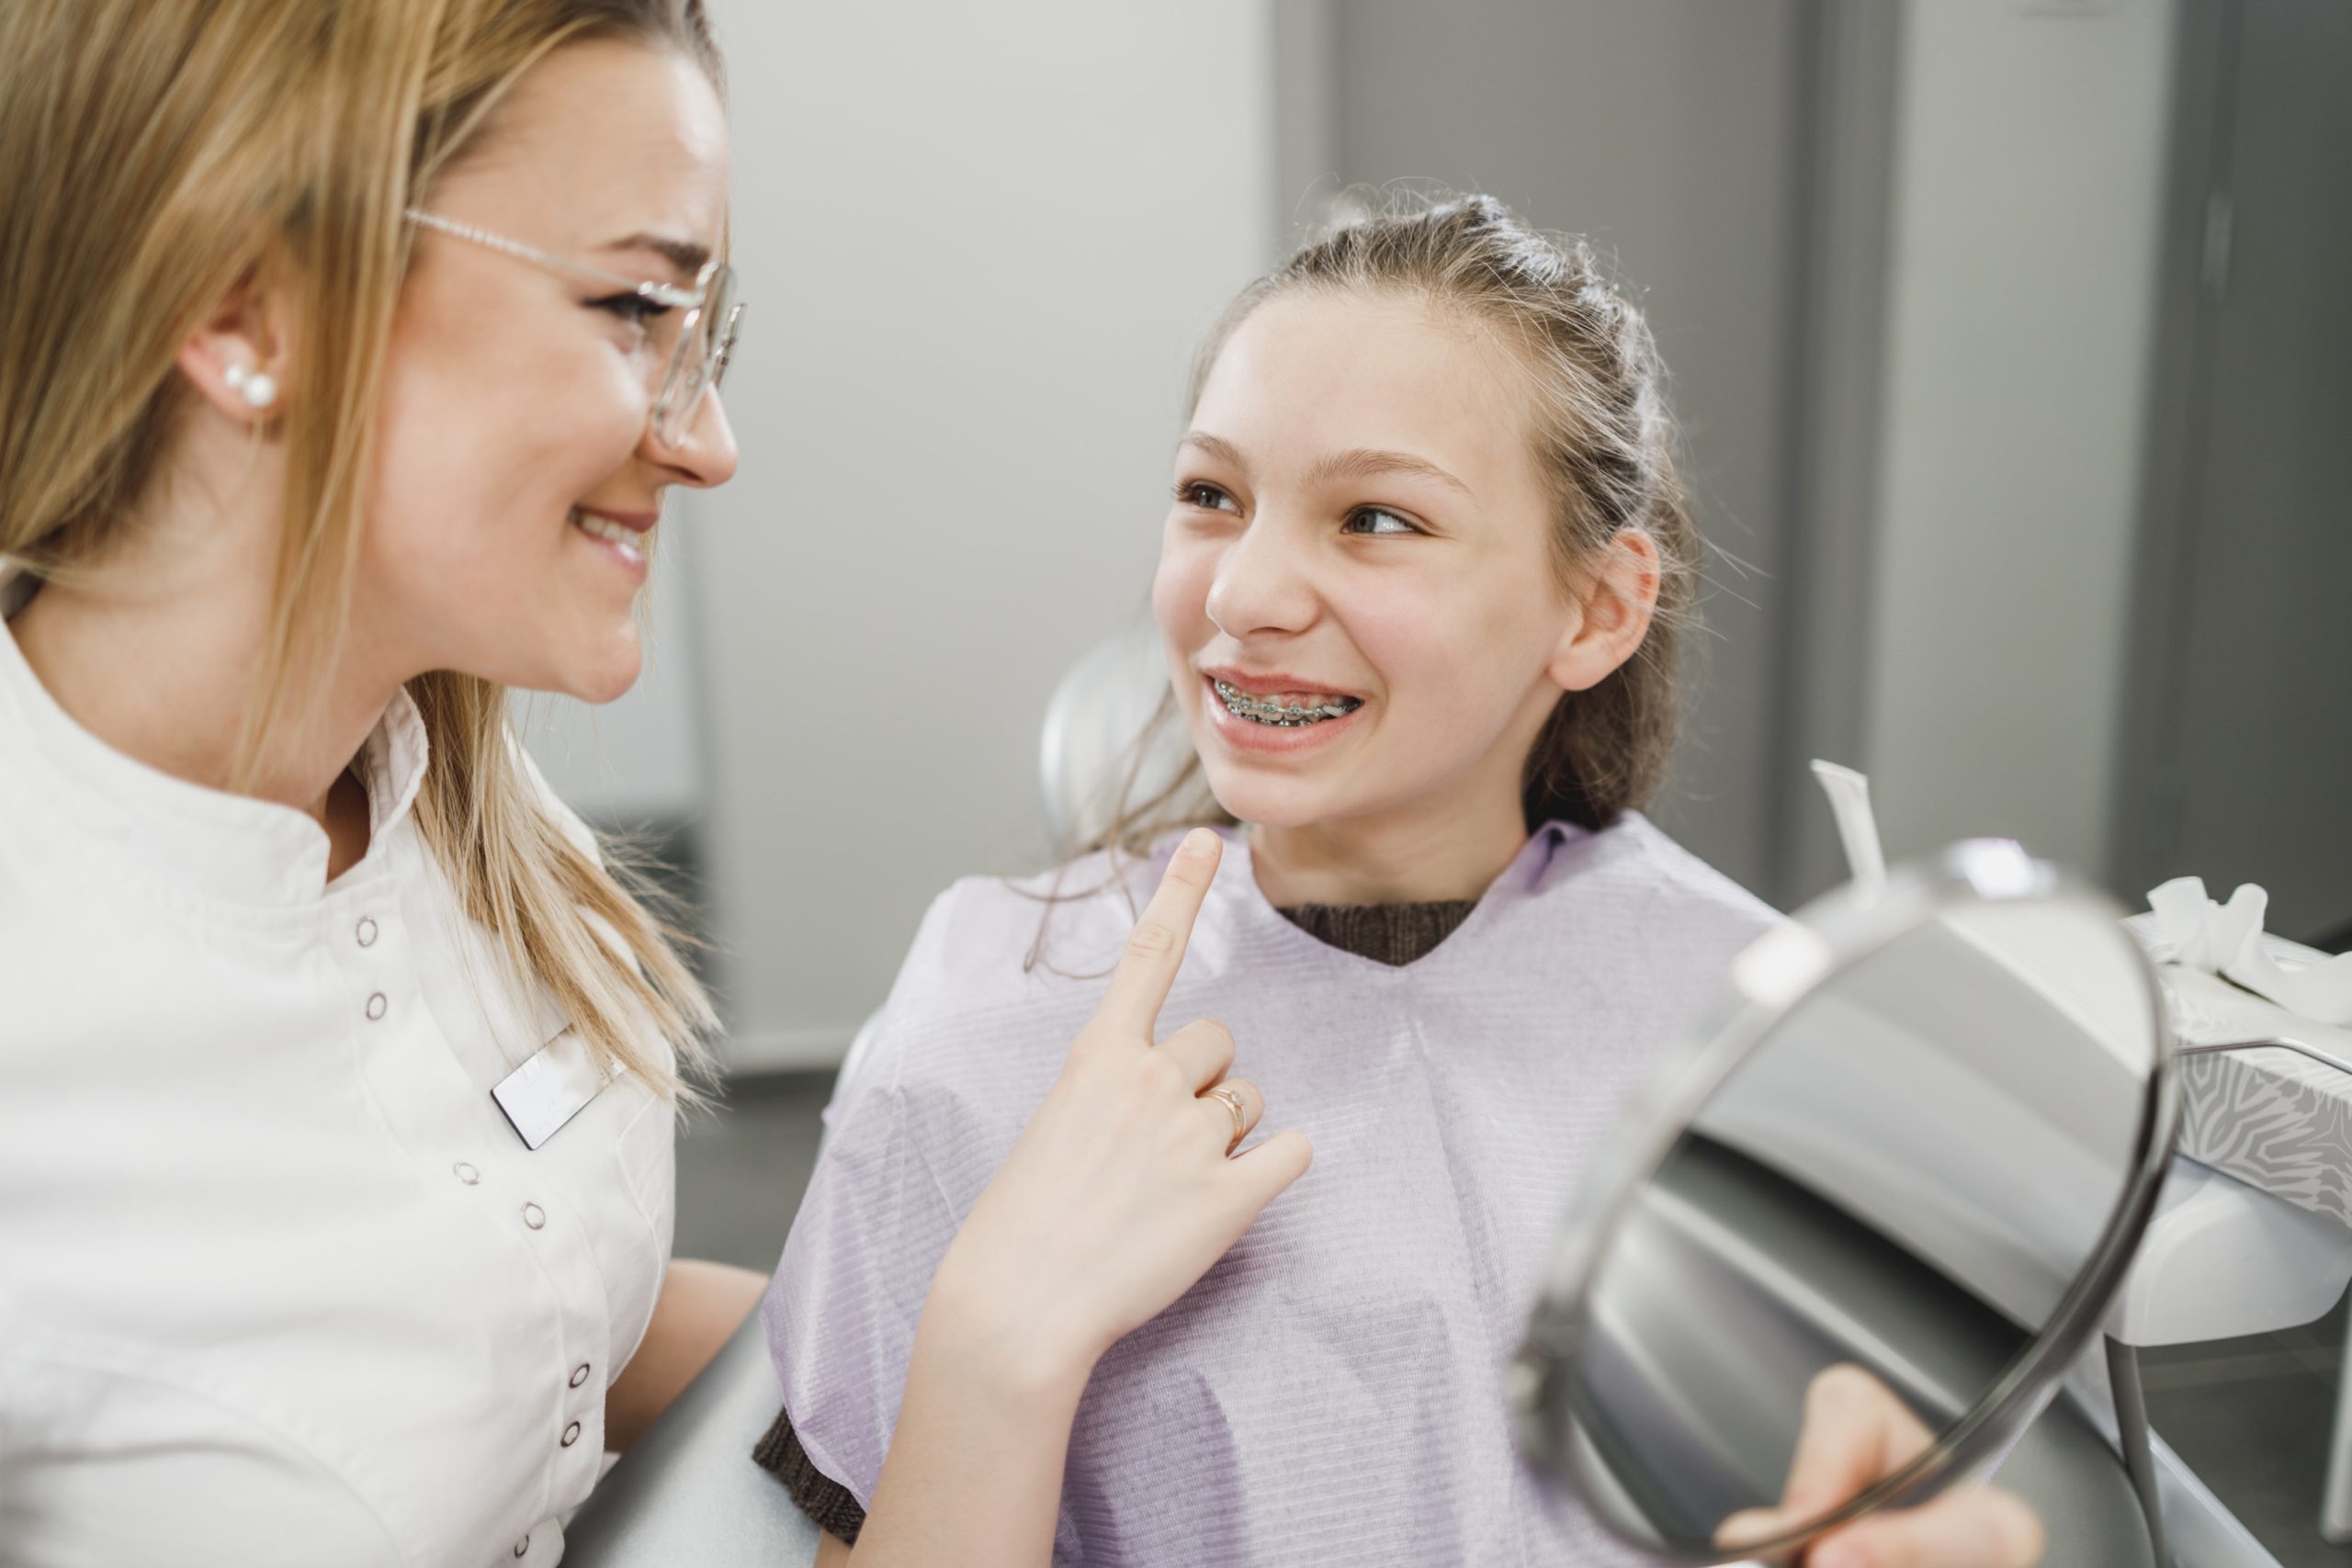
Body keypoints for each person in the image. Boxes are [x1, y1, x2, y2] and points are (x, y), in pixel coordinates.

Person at [0, 4, 1305, 1564]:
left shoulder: (443, 807)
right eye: (633, 308)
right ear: (246, 312)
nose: (711, 443)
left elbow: (534, 1341)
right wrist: (994, 1339)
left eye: (706, 333)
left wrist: (996, 1366)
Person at [760, 196, 2046, 1567]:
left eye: (1374, 518)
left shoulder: (1763, 1030)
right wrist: (999, 1338)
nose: (1244, 594)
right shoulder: (990, 1019)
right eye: (1212, 496)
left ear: (1598, 609)